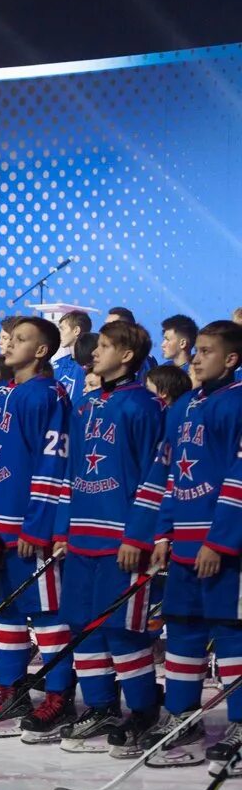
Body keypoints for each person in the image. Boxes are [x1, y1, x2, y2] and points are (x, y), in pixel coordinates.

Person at [50, 321, 165, 753]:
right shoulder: (83, 406)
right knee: (81, 625)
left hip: (122, 541)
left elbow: (156, 476)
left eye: (103, 346)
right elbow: (71, 471)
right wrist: (63, 528)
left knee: (122, 629)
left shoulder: (144, 407)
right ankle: (99, 706)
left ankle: (142, 710)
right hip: (81, 536)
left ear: (128, 355)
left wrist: (140, 536)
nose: (94, 353)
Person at [0, 317, 73, 738]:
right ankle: (13, 691)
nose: (10, 344)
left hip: (32, 530)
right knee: (5, 612)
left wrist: (40, 527)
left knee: (46, 613)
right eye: (10, 337)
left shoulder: (48, 396)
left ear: (43, 350)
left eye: (22, 339)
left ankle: (59, 696)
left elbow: (54, 464)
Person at [144, 321, 242, 765]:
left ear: (232, 359)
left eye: (206, 351)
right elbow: (170, 475)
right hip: (182, 545)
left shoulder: (238, 403)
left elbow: (238, 480)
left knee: (231, 635)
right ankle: (182, 718)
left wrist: (219, 542)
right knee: (181, 629)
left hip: (223, 550)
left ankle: (240, 724)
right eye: (196, 350)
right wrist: (163, 531)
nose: (197, 358)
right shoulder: (181, 407)